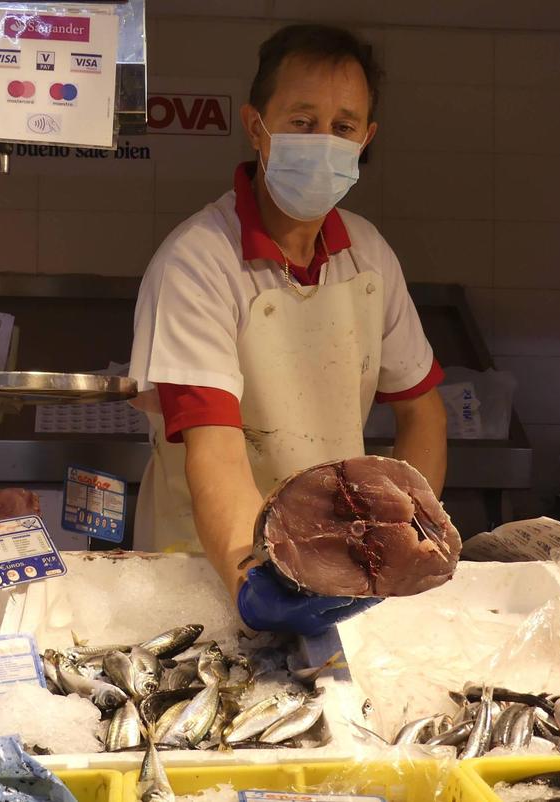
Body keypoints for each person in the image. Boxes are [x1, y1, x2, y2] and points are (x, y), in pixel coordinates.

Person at [129, 24, 446, 634]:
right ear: (257, 127)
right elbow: (214, 445)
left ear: (366, 140)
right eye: (302, 122)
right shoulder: (198, 260)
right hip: (206, 571)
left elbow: (423, 412)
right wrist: (255, 575)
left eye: (343, 127)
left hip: (336, 563)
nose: (323, 141)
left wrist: (408, 541)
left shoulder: (370, 255)